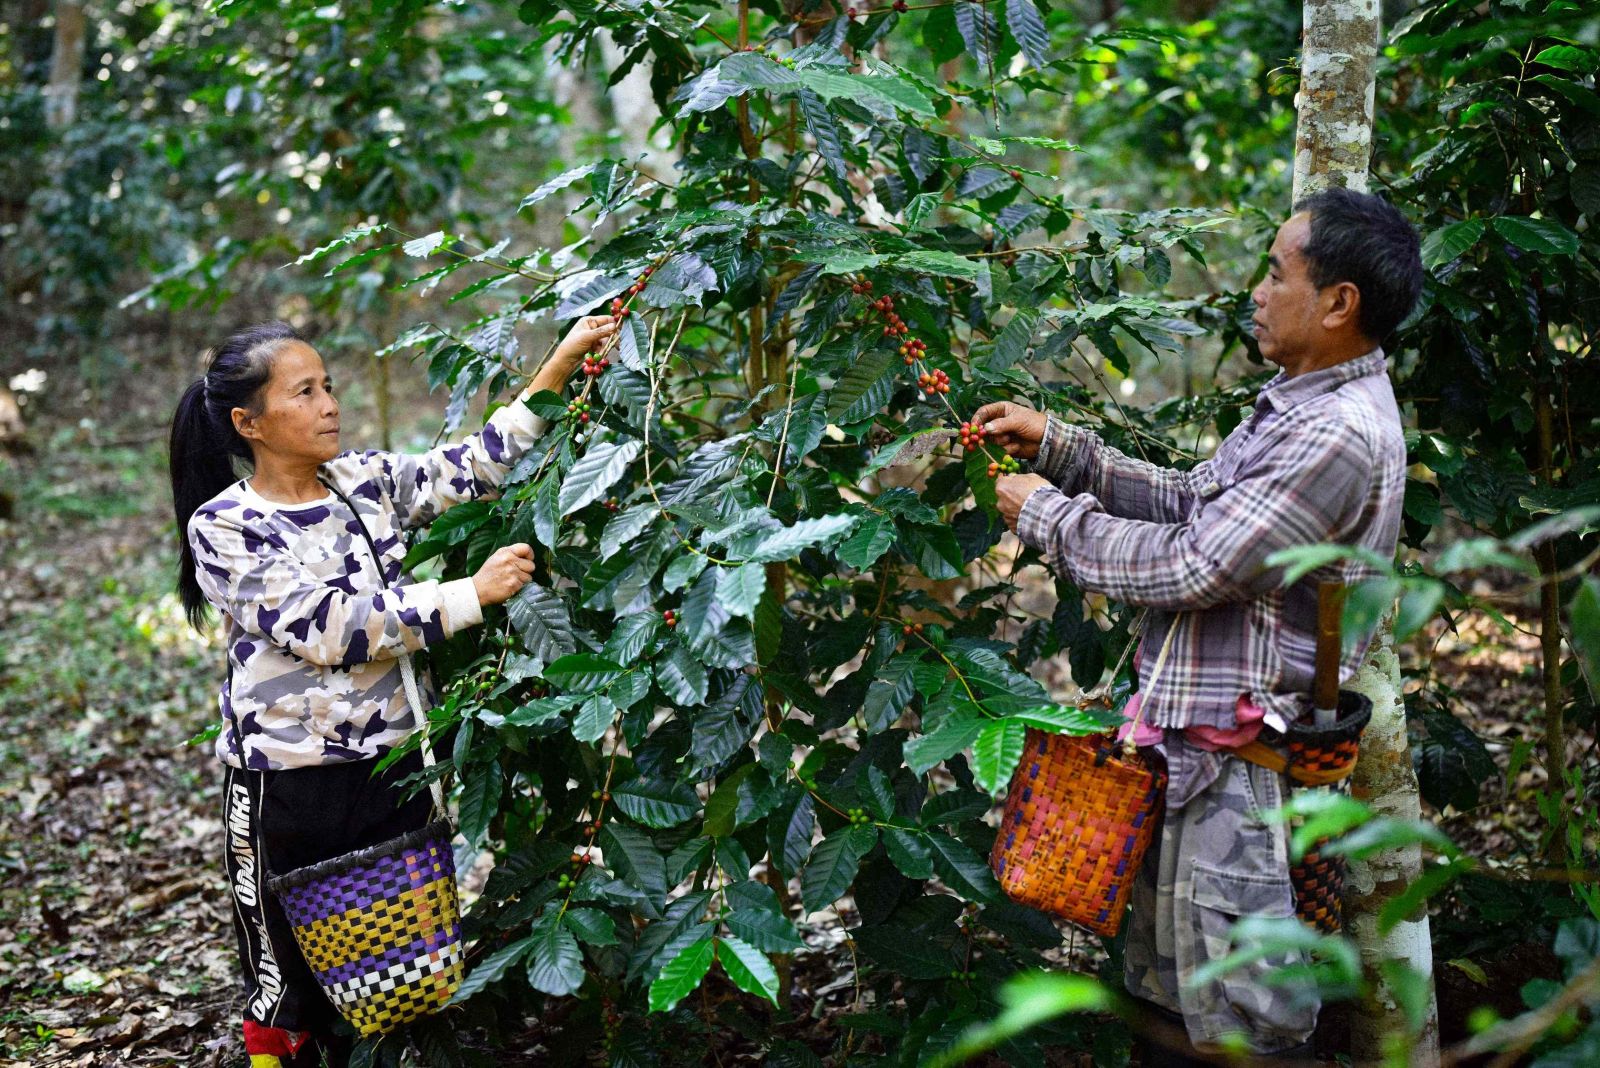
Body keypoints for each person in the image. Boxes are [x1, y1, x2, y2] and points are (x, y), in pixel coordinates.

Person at [976, 188, 1423, 1062]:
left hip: (1247, 784)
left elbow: (1195, 564)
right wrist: (1063, 447)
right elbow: (1195, 501)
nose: (1257, 292)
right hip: (1206, 767)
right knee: (1177, 1011)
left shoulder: (1336, 433)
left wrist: (1048, 519)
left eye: (1276, 272)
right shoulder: (1298, 404)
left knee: (1237, 1030)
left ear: (1339, 304)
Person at [168, 314, 616, 1067]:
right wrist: (469, 594)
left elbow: (472, 465)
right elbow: (328, 626)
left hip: (396, 760)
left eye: (328, 386)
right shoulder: (226, 526)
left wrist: (560, 366)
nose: (328, 405)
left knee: (397, 967)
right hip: (290, 785)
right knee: (291, 983)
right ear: (250, 423)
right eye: (304, 392)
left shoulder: (362, 482)